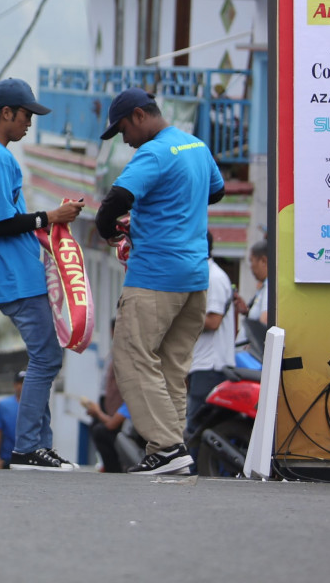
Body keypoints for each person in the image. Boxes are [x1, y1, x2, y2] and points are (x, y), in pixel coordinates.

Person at [94, 87, 225, 475]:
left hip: (155, 277)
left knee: (132, 357)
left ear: (139, 115)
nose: (125, 141)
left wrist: (111, 231)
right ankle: (170, 450)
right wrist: (174, 207)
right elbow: (216, 192)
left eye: (123, 130)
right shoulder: (196, 146)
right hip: (194, 278)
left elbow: (113, 203)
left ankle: (166, 447)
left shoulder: (153, 153)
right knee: (171, 367)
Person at [0, 78, 83, 470]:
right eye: (26, 115)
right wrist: (51, 216)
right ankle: (28, 448)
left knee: (44, 358)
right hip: (15, 276)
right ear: (6, 113)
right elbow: (1, 222)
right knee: (47, 358)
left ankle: (39, 446)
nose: (29, 123)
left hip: (12, 273)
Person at [186, 234, 236, 444]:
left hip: (211, 366)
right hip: (203, 364)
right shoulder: (206, 275)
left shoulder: (213, 278)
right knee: (196, 428)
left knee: (196, 429)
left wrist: (181, 316)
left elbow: (213, 321)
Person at [0, 370, 23, 468]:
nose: (22, 386)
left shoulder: (34, 406)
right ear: (15, 385)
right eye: (20, 383)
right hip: (7, 457)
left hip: (27, 456)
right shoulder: (4, 405)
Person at [234, 239, 270, 332]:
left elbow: (265, 321)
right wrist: (247, 312)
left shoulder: (269, 287)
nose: (251, 266)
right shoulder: (264, 286)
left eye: (251, 261)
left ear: (263, 261)